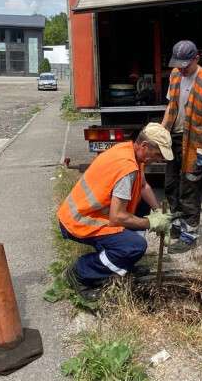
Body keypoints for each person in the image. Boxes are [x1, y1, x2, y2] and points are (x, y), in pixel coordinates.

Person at [58, 123, 176, 300]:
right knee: (135, 246)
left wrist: (157, 211)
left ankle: (122, 260)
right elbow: (117, 216)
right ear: (144, 146)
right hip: (79, 220)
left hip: (90, 212)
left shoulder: (130, 151)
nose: (159, 159)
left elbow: (143, 186)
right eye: (158, 154)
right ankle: (80, 273)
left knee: (142, 209)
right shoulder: (126, 168)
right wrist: (152, 222)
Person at [161, 40, 202, 253]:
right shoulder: (175, 75)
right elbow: (171, 106)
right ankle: (176, 225)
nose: (182, 68)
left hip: (194, 144)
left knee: (189, 190)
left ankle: (189, 235)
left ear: (196, 58)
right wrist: (161, 131)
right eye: (178, 64)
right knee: (170, 184)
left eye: (186, 64)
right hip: (174, 139)